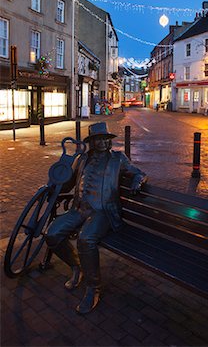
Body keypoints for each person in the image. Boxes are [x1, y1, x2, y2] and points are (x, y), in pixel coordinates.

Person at [45, 122, 147, 315]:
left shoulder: (118, 159)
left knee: (85, 239)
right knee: (52, 234)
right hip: (79, 209)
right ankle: (77, 267)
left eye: (104, 139)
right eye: (97, 139)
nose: (101, 142)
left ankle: (94, 288)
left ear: (109, 141)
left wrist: (137, 181)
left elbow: (139, 173)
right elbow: (67, 185)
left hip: (104, 211)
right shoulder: (82, 159)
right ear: (91, 142)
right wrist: (55, 181)